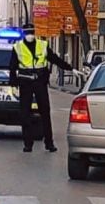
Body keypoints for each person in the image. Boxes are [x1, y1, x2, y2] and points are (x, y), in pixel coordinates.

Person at [10, 24, 73, 153]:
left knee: (45, 112)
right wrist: (13, 83)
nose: (30, 35)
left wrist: (69, 68)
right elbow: (12, 66)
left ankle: (49, 143)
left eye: (31, 32)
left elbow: (54, 59)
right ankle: (28, 144)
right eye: (28, 33)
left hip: (40, 82)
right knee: (25, 114)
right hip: (25, 83)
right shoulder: (18, 48)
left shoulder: (42, 45)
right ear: (24, 34)